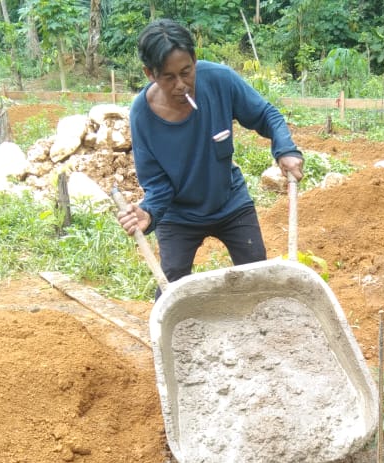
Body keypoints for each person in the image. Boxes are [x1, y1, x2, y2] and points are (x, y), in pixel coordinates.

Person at [116, 19, 305, 283]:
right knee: (172, 286)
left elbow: (265, 114)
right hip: (178, 213)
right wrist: (148, 211)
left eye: (186, 71)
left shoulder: (219, 80)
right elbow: (158, 186)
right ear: (150, 74)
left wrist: (285, 149)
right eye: (169, 77)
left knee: (258, 276)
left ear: (194, 60)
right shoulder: (142, 115)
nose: (181, 84)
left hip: (229, 202)